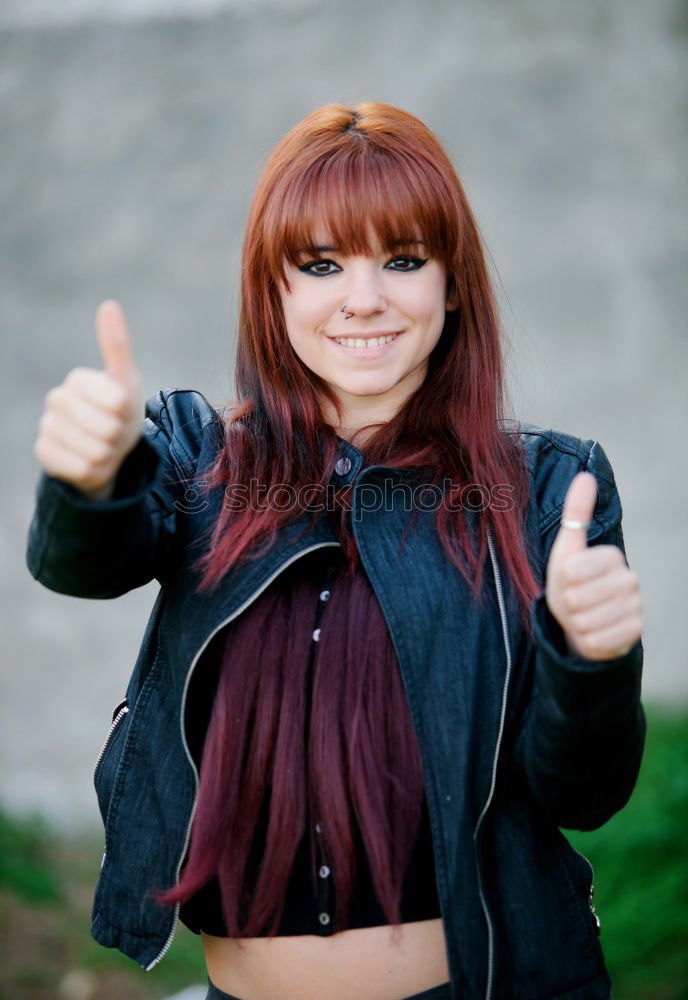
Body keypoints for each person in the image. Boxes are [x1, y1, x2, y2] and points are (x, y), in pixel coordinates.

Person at [26, 103, 645, 1000]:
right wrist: (89, 475)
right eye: (320, 264)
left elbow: (585, 793)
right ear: (274, 290)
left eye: (402, 260)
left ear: (452, 283)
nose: (365, 298)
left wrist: (593, 658)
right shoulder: (196, 455)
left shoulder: (549, 487)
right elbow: (84, 562)